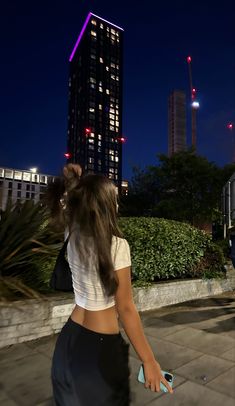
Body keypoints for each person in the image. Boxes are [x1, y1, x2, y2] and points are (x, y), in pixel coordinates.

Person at [48, 164, 173, 406]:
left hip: (70, 337)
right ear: (106, 205)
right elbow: (125, 308)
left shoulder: (71, 234)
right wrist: (149, 360)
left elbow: (68, 202)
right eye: (114, 198)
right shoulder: (117, 246)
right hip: (101, 346)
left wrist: (73, 179)